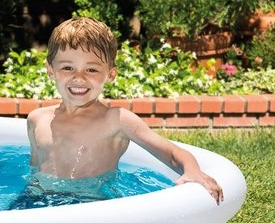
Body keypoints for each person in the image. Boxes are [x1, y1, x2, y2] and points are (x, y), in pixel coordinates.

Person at [24, 16, 224, 203]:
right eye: (68, 68)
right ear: (50, 70)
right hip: (42, 201)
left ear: (110, 75)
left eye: (91, 70)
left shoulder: (116, 121)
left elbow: (172, 153)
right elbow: (34, 171)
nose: (79, 77)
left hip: (90, 205)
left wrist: (192, 171)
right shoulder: (37, 120)